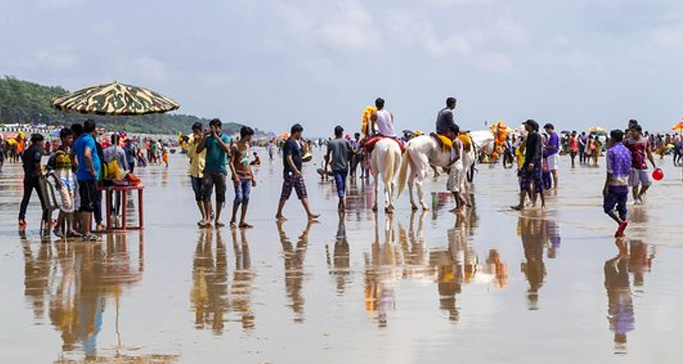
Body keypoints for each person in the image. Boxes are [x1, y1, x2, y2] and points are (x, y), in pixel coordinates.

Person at [275, 123, 319, 221]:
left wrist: (303, 159)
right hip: (291, 172)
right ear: (296, 132)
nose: (301, 135)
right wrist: (295, 170)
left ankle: (309, 213)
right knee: (285, 193)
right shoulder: (289, 143)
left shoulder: (295, 142)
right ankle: (279, 213)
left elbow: (296, 157)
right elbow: (288, 158)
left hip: (297, 173)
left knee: (302, 192)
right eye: (300, 133)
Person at [196, 118, 231, 228]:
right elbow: (198, 150)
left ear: (220, 128)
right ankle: (207, 218)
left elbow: (227, 149)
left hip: (220, 170)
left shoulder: (225, 138)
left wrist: (217, 138)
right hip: (208, 170)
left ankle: (218, 218)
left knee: (220, 194)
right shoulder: (208, 139)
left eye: (216, 127)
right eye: (212, 127)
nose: (214, 130)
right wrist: (204, 137)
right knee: (206, 193)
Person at [46, 128, 79, 238]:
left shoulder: (70, 152)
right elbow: (49, 168)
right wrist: (56, 179)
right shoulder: (56, 154)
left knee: (71, 205)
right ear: (63, 139)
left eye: (71, 138)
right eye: (69, 138)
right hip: (61, 182)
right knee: (67, 204)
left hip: (70, 181)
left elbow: (74, 166)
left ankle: (70, 229)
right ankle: (57, 227)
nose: (71, 140)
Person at [72, 120, 101, 241]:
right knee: (88, 204)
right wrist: (92, 170)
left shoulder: (78, 140)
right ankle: (87, 232)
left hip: (81, 176)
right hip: (89, 177)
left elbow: (71, 155)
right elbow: (87, 154)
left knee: (85, 202)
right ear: (94, 129)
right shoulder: (89, 140)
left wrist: (78, 167)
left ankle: (86, 231)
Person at [603, 129, 631, 237]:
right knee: (622, 208)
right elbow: (629, 168)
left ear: (613, 138)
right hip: (624, 183)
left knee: (608, 208)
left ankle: (620, 223)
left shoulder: (611, 152)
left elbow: (610, 171)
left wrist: (606, 187)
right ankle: (621, 231)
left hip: (614, 183)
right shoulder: (627, 151)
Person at [18, 134, 48, 231]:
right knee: (43, 198)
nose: (42, 144)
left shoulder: (27, 151)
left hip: (27, 177)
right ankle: (46, 218)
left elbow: (24, 163)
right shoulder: (37, 150)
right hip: (35, 178)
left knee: (25, 199)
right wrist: (40, 173)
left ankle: (21, 218)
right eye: (41, 142)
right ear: (38, 141)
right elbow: (37, 162)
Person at [512, 120, 544, 210]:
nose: (525, 126)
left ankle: (543, 204)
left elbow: (538, 151)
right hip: (527, 163)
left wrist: (533, 162)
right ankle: (521, 204)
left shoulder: (537, 136)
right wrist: (524, 140)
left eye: (526, 124)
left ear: (531, 126)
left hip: (535, 163)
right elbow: (521, 151)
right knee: (524, 183)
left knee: (538, 183)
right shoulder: (528, 136)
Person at [229, 126, 257, 229]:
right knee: (239, 197)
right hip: (238, 175)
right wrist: (235, 175)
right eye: (249, 136)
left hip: (247, 176)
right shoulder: (235, 146)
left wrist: (252, 177)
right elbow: (231, 162)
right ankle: (233, 219)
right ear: (245, 135)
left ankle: (242, 221)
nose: (250, 138)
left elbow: (247, 163)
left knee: (246, 198)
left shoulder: (247, 146)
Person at [181, 122, 208, 225]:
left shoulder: (206, 140)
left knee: (206, 194)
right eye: (193, 132)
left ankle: (208, 214)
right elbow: (190, 154)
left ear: (201, 131)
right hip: (194, 171)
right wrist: (195, 143)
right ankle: (203, 215)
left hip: (204, 170)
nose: (195, 134)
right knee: (197, 195)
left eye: (196, 132)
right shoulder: (192, 140)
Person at [623, 123, 656, 205]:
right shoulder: (628, 142)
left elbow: (649, 153)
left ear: (639, 132)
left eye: (633, 132)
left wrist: (654, 165)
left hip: (643, 165)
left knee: (648, 182)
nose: (632, 133)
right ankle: (636, 201)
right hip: (632, 166)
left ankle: (640, 194)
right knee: (635, 184)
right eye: (631, 132)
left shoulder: (645, 141)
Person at [324, 125, 351, 211]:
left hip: (335, 167)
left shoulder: (331, 143)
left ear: (335, 133)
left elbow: (327, 156)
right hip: (345, 167)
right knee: (342, 185)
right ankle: (341, 200)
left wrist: (325, 167)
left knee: (339, 184)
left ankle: (341, 200)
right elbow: (352, 151)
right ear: (342, 133)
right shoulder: (346, 142)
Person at [543, 123, 560, 189]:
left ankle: (555, 186)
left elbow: (553, 146)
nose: (546, 131)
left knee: (554, 171)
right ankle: (555, 186)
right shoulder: (553, 136)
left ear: (550, 128)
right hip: (551, 155)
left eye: (547, 129)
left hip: (553, 154)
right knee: (553, 171)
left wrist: (545, 146)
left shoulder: (553, 136)